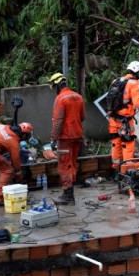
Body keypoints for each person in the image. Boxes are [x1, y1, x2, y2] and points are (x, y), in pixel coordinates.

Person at [108, 61, 139, 174]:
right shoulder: (133, 83)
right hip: (125, 122)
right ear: (137, 72)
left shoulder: (116, 81)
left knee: (116, 144)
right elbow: (138, 103)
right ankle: (127, 172)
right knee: (128, 145)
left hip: (113, 120)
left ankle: (116, 170)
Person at [48, 73, 85, 205]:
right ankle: (69, 193)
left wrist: (53, 138)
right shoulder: (78, 97)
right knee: (72, 164)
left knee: (64, 165)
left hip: (65, 138)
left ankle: (68, 195)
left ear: (57, 85)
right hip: (77, 136)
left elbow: (58, 121)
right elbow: (82, 117)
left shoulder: (60, 99)